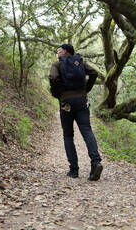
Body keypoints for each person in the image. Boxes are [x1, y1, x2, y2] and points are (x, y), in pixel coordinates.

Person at [49, 44, 103, 181]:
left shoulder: (57, 64)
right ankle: (95, 161)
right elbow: (94, 73)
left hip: (66, 103)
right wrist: (86, 90)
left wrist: (58, 93)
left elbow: (53, 77)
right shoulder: (81, 63)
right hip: (81, 101)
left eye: (59, 50)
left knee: (68, 135)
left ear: (65, 51)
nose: (57, 52)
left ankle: (74, 170)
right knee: (87, 130)